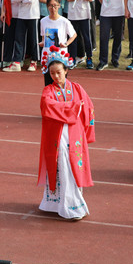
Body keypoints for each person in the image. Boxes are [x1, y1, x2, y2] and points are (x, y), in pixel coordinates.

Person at [38, 46, 95, 220]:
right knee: (61, 164)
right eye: (52, 73)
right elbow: (47, 106)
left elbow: (89, 109)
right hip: (58, 135)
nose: (56, 76)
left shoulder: (77, 88)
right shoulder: (48, 90)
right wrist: (74, 107)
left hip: (75, 134)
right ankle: (59, 203)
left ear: (66, 70)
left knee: (73, 165)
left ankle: (73, 203)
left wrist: (86, 131)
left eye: (59, 72)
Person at [96, 0, 126, 71]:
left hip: (120, 12)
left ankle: (115, 59)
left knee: (118, 37)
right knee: (104, 37)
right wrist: (106, 4)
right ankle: (103, 61)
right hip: (106, 13)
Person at [40, 0, 77, 85]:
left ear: (59, 6)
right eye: (50, 5)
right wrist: (42, 43)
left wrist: (66, 43)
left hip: (61, 55)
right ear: (47, 6)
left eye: (55, 5)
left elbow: (74, 35)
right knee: (48, 83)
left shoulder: (64, 21)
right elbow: (43, 36)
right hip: (48, 56)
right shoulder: (43, 21)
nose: (53, 8)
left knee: (61, 83)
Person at [65, 0, 94, 67]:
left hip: (84, 14)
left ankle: (89, 58)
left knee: (86, 37)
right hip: (72, 15)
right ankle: (72, 58)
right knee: (72, 37)